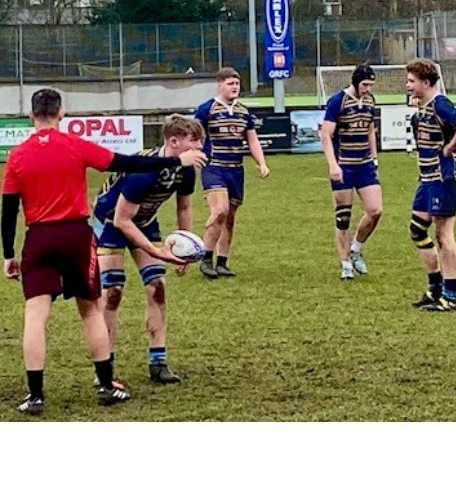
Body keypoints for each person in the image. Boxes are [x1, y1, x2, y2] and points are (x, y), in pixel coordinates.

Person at [1, 88, 207, 414]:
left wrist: (9, 254)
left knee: (35, 316)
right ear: (62, 113)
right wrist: (175, 160)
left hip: (38, 238)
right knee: (94, 309)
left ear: (31, 116)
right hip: (81, 233)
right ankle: (106, 385)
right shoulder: (75, 145)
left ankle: (36, 395)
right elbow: (126, 163)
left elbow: (9, 209)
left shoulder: (16, 156)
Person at [93, 115, 206, 386]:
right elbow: (121, 220)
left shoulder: (186, 168)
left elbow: (184, 207)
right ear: (174, 142)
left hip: (143, 222)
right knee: (113, 292)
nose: (201, 147)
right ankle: (105, 368)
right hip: (110, 221)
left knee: (157, 285)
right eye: (195, 141)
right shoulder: (144, 172)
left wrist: (184, 247)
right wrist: (157, 252)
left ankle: (158, 362)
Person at [406, 60, 456, 311]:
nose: (408, 85)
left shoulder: (440, 104)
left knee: (444, 234)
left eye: (412, 81)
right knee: (417, 229)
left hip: (443, 178)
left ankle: (451, 295)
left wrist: (451, 147)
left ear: (426, 83)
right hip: (427, 179)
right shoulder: (423, 107)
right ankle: (435, 288)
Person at [195, 66, 270, 279]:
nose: (235, 87)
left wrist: (261, 163)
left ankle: (222, 262)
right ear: (220, 85)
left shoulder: (244, 112)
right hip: (214, 167)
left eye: (237, 83)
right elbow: (195, 135)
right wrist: (194, 154)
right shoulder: (206, 109)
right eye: (230, 83)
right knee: (219, 210)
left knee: (229, 217)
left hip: (236, 170)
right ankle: (205, 258)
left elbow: (252, 140)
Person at [320, 65, 383, 280]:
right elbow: (326, 134)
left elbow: (369, 130)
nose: (368, 89)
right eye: (365, 84)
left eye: (371, 85)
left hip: (364, 164)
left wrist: (374, 157)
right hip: (344, 164)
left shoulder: (370, 101)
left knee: (375, 210)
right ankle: (345, 263)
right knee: (343, 217)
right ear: (355, 82)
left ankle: (356, 249)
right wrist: (333, 165)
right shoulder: (338, 101)